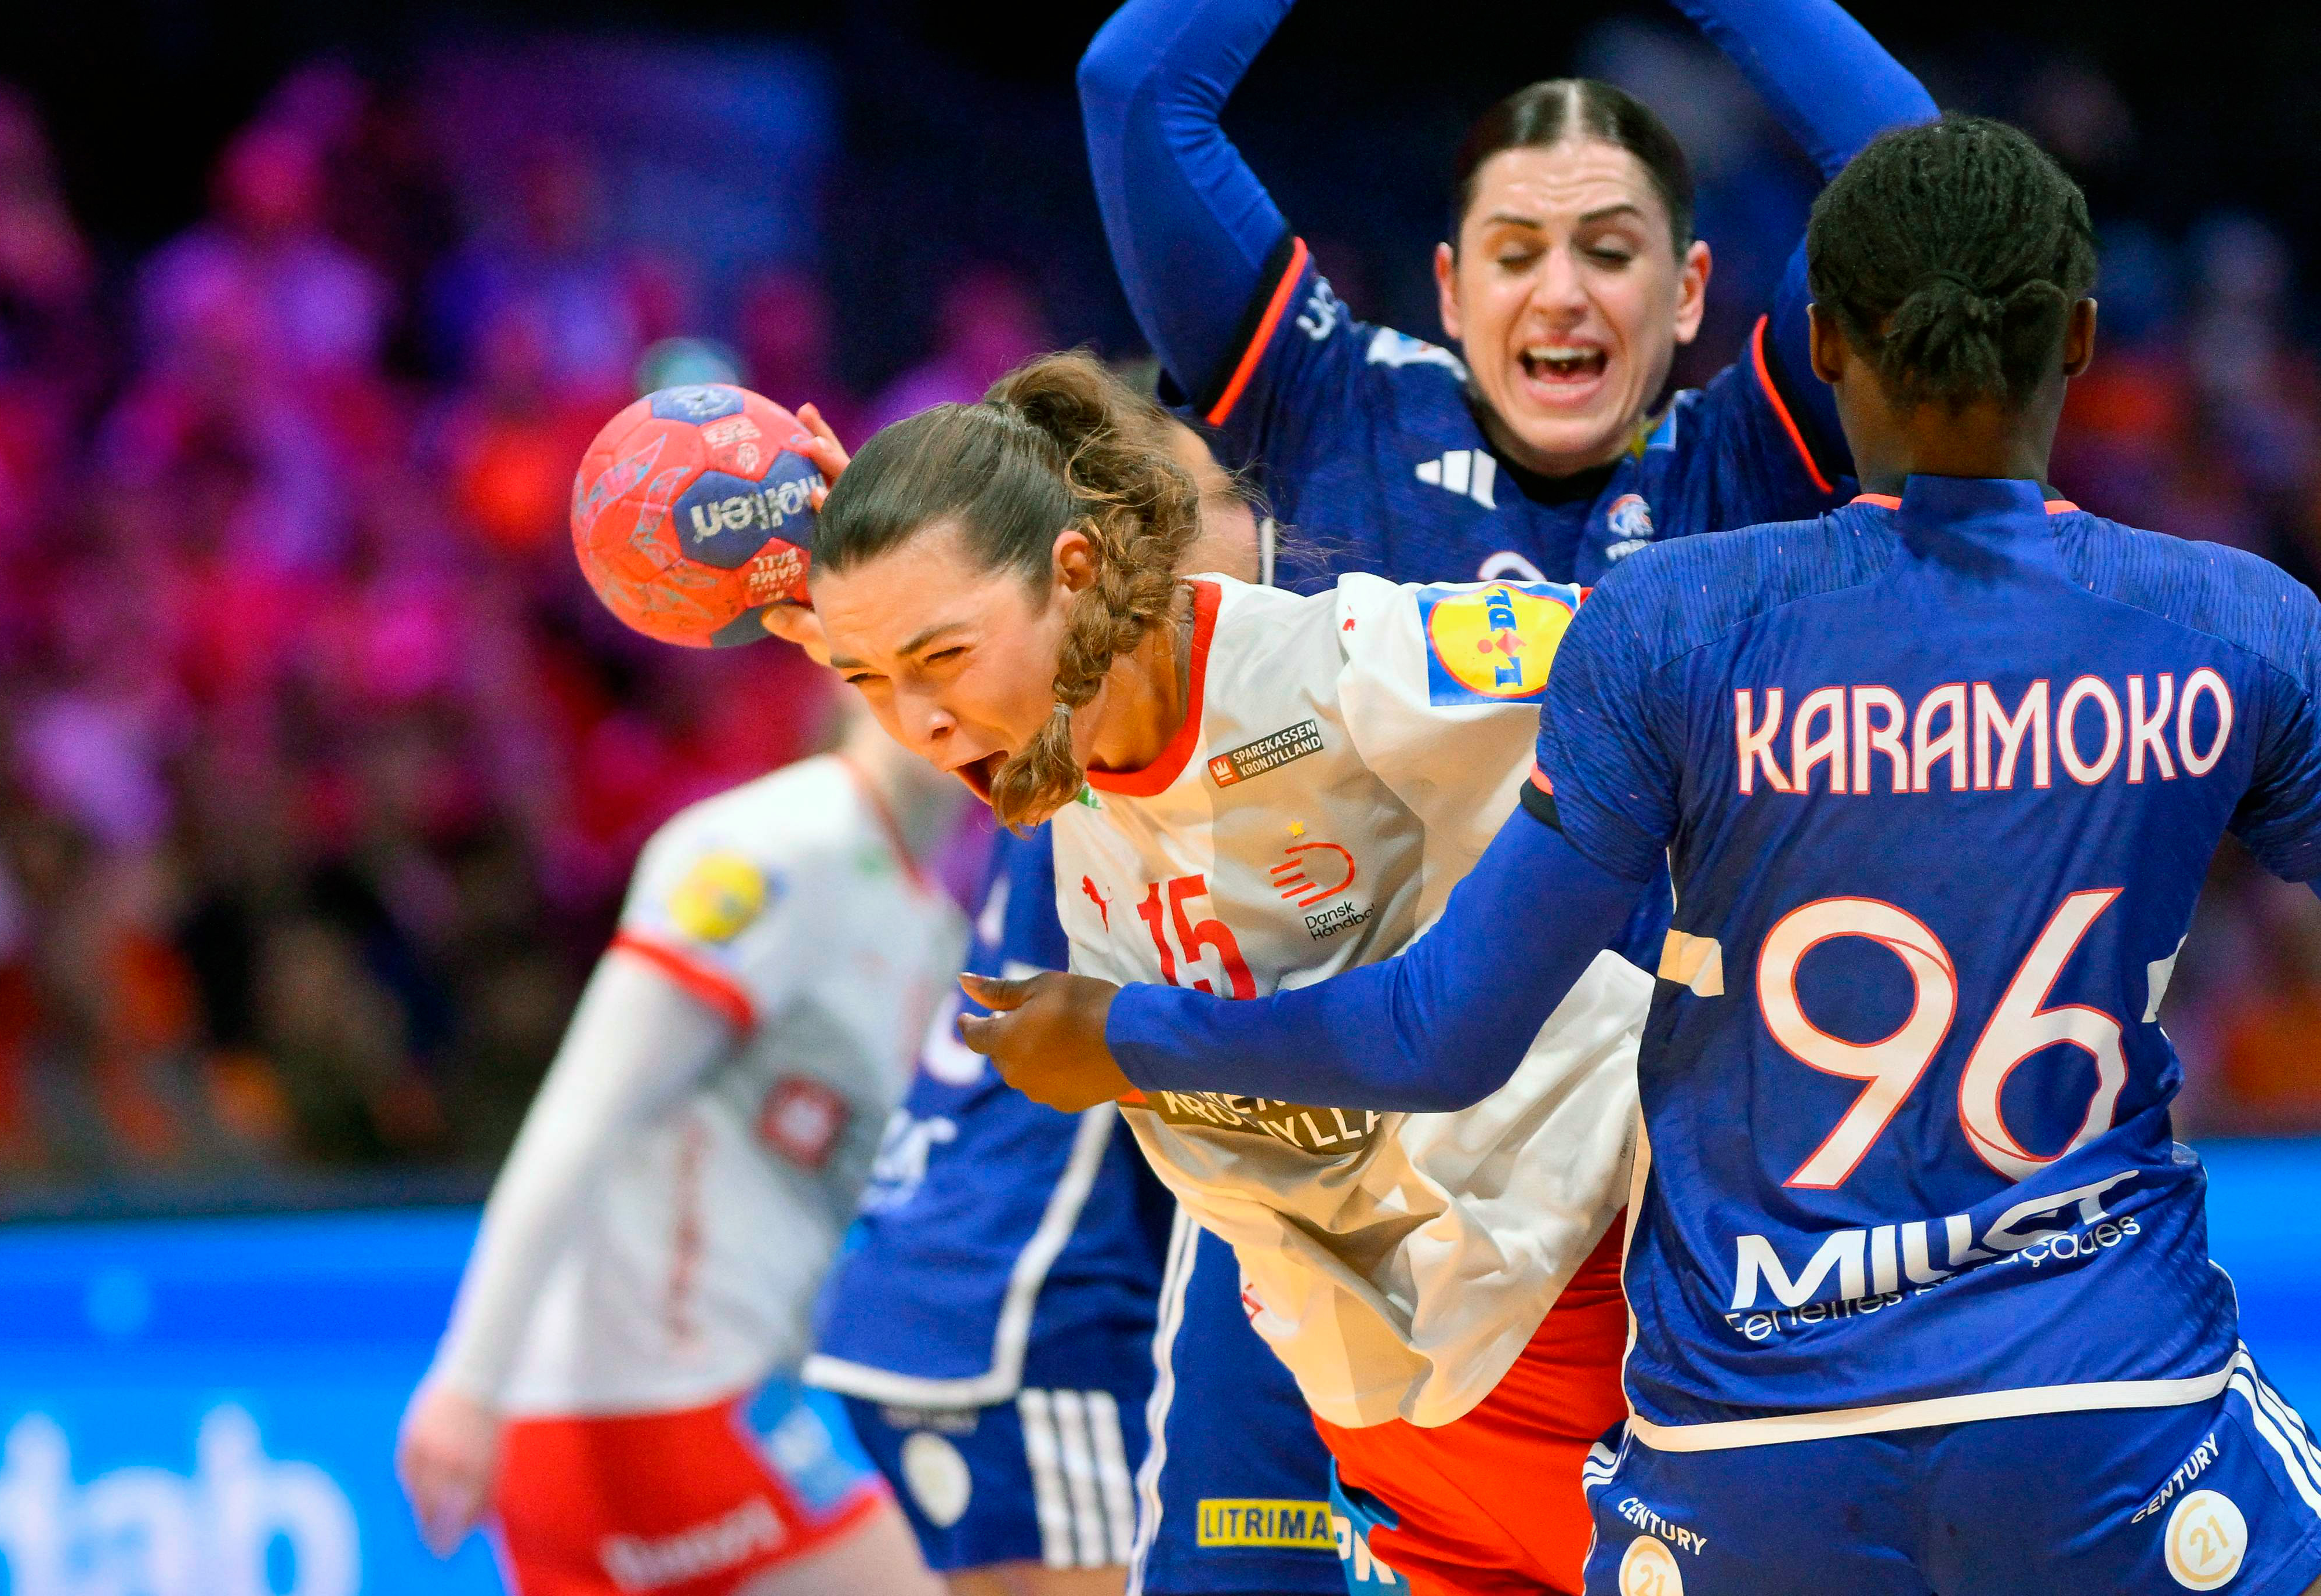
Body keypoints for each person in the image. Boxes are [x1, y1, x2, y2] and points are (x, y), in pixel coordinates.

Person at [966, 118, 2321, 1596]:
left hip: (1746, 1445)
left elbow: (1437, 1036)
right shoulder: (2232, 623)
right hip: (2110, 1405)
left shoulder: (1671, 619)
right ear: (2080, 337)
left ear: (1820, 342)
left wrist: (1130, 1033)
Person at [804, 350, 1651, 1596]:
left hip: (1581, 1311)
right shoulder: (1059, 747)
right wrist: (891, 565)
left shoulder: (1340, 661)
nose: (916, 724)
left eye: (941, 657)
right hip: (1385, 1407)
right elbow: (956, 609)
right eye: (867, 680)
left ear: (1073, 577)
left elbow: (1661, 651)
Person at [786, 382, 1324, 1596]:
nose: (1215, 533)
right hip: (1022, 1304)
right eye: (1184, 504)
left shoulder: (1061, 747)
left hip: (947, 1282)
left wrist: (883, 545)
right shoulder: (1088, 752)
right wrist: (899, 553)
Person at [1076, 0, 1935, 591]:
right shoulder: (1329, 406)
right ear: (1451, 290)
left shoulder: (1745, 460)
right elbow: (1133, 89)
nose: (1560, 294)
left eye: (1609, 252)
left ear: (1687, 290)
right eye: (1516, 255)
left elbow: (1916, 171)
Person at [394, 715, 968, 1596]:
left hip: (721, 1400)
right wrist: (470, 1380)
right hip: (640, 1413)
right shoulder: (774, 847)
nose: (948, 705)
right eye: (921, 659)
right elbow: (585, 1108)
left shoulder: (937, 927)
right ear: (848, 666)